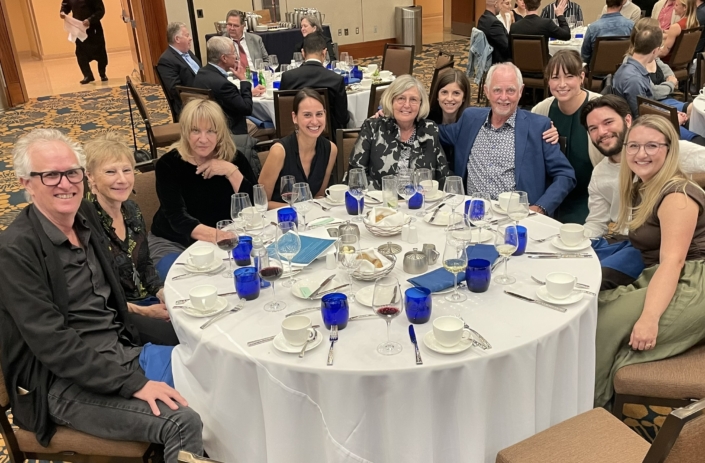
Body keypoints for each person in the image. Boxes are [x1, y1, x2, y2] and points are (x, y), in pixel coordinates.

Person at [0, 128, 202, 461]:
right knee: (182, 421)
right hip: (62, 384)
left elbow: (114, 293)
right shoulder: (16, 251)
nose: (65, 184)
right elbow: (54, 346)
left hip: (118, 354)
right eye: (50, 175)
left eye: (72, 172)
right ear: (26, 183)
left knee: (213, 374)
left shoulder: (85, 217)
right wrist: (132, 384)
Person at [594, 114, 705, 408]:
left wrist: (649, 318)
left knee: (605, 325)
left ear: (669, 150)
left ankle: (592, 407)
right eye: (634, 146)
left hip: (694, 283)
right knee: (595, 308)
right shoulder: (647, 185)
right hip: (665, 276)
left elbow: (674, 262)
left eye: (652, 146)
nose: (640, 154)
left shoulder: (677, 195)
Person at [438, 62, 576, 215]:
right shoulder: (470, 119)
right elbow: (435, 131)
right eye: (497, 90)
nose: (504, 98)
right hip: (472, 214)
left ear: (520, 91)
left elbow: (565, 175)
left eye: (510, 90)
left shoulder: (539, 127)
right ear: (486, 91)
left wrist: (540, 208)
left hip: (516, 218)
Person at [84, 134, 179, 346]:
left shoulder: (132, 210)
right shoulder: (85, 224)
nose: (122, 179)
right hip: (115, 314)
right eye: (110, 172)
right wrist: (146, 312)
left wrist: (162, 293)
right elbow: (95, 296)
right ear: (90, 177)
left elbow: (145, 265)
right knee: (179, 336)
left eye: (126, 170)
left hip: (146, 300)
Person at [580, 95, 705, 237]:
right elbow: (597, 222)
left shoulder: (666, 151)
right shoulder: (599, 173)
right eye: (593, 128)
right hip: (626, 241)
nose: (602, 132)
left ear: (627, 120)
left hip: (671, 241)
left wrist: (680, 182)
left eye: (608, 122)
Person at [149, 99, 257, 262]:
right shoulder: (169, 164)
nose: (203, 139)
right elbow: (177, 218)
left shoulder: (234, 159)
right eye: (196, 131)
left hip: (223, 237)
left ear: (220, 133)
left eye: (211, 131)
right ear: (185, 132)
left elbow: (254, 206)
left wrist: (230, 170)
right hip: (175, 242)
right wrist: (220, 236)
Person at [532, 51, 603, 223]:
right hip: (551, 196)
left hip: (591, 197)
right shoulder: (542, 111)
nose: (562, 84)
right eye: (555, 77)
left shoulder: (600, 109)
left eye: (569, 76)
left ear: (581, 77)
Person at [348, 75, 450, 189]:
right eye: (401, 98)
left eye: (413, 99)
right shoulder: (373, 127)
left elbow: (443, 175)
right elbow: (355, 175)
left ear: (421, 104)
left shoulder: (429, 130)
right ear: (391, 101)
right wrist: (388, 196)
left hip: (421, 203)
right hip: (379, 203)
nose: (407, 105)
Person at [259, 89, 337, 207]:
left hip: (310, 219)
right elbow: (261, 203)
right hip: (280, 220)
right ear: (294, 117)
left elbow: (319, 196)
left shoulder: (331, 149)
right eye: (307, 115)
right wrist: (299, 208)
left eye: (319, 114)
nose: (315, 121)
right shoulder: (279, 152)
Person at [193, 36, 264, 138]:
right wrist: (244, 80)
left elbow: (225, 97)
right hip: (230, 131)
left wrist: (250, 92)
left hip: (207, 125)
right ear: (224, 58)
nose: (236, 56)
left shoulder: (202, 73)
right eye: (234, 53)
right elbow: (247, 109)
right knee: (271, 125)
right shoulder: (223, 85)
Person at [280, 32, 350, 134]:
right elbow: (343, 118)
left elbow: (284, 115)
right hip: (328, 140)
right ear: (324, 53)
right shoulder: (335, 79)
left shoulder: (288, 77)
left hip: (297, 137)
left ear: (303, 53)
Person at [428, 69, 472, 167]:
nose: (449, 98)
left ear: (464, 97)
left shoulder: (470, 123)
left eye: (456, 93)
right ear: (437, 96)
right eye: (444, 92)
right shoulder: (427, 119)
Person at [157, 22, 202, 117]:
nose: (190, 38)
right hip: (189, 105)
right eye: (187, 35)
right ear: (177, 39)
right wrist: (203, 94)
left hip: (203, 96)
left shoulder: (187, 52)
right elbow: (176, 90)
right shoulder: (166, 60)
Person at [60, 0, 108, 84]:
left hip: (94, 28)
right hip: (79, 28)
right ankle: (88, 75)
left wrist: (90, 20)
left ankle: (102, 73)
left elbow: (100, 10)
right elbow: (66, 5)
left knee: (100, 52)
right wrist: (63, 12)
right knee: (80, 52)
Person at [582, 0, 635, 65]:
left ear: (606, 4)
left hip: (596, 72)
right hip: (623, 71)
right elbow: (634, 50)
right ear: (621, 5)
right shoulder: (631, 25)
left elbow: (585, 56)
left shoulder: (592, 28)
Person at [478, 0, 511, 64]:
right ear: (496, 4)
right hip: (498, 62)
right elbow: (506, 47)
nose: (501, 7)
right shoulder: (494, 23)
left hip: (486, 59)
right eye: (501, 3)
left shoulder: (482, 19)